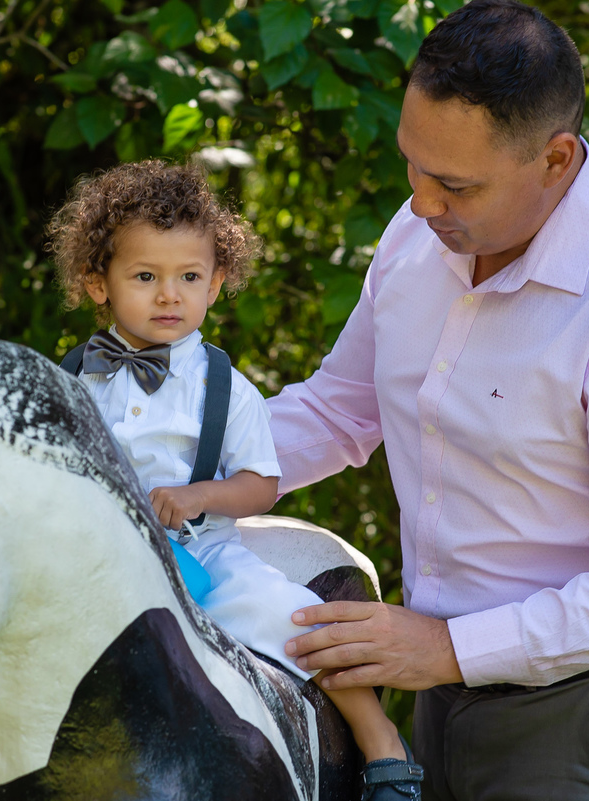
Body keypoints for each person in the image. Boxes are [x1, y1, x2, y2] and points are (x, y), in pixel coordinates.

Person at [271, 2, 589, 800]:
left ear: (556, 160)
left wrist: (449, 649)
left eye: (454, 183)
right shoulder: (422, 230)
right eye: (411, 165)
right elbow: (337, 408)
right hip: (442, 688)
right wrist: (144, 467)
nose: (420, 204)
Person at [48, 159, 422, 801]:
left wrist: (199, 497)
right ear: (97, 282)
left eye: (189, 277)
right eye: (145, 277)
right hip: (90, 560)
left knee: (299, 623)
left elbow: (259, 487)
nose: (170, 295)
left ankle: (380, 743)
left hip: (203, 555)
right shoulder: (72, 380)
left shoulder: (224, 389)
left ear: (217, 283)